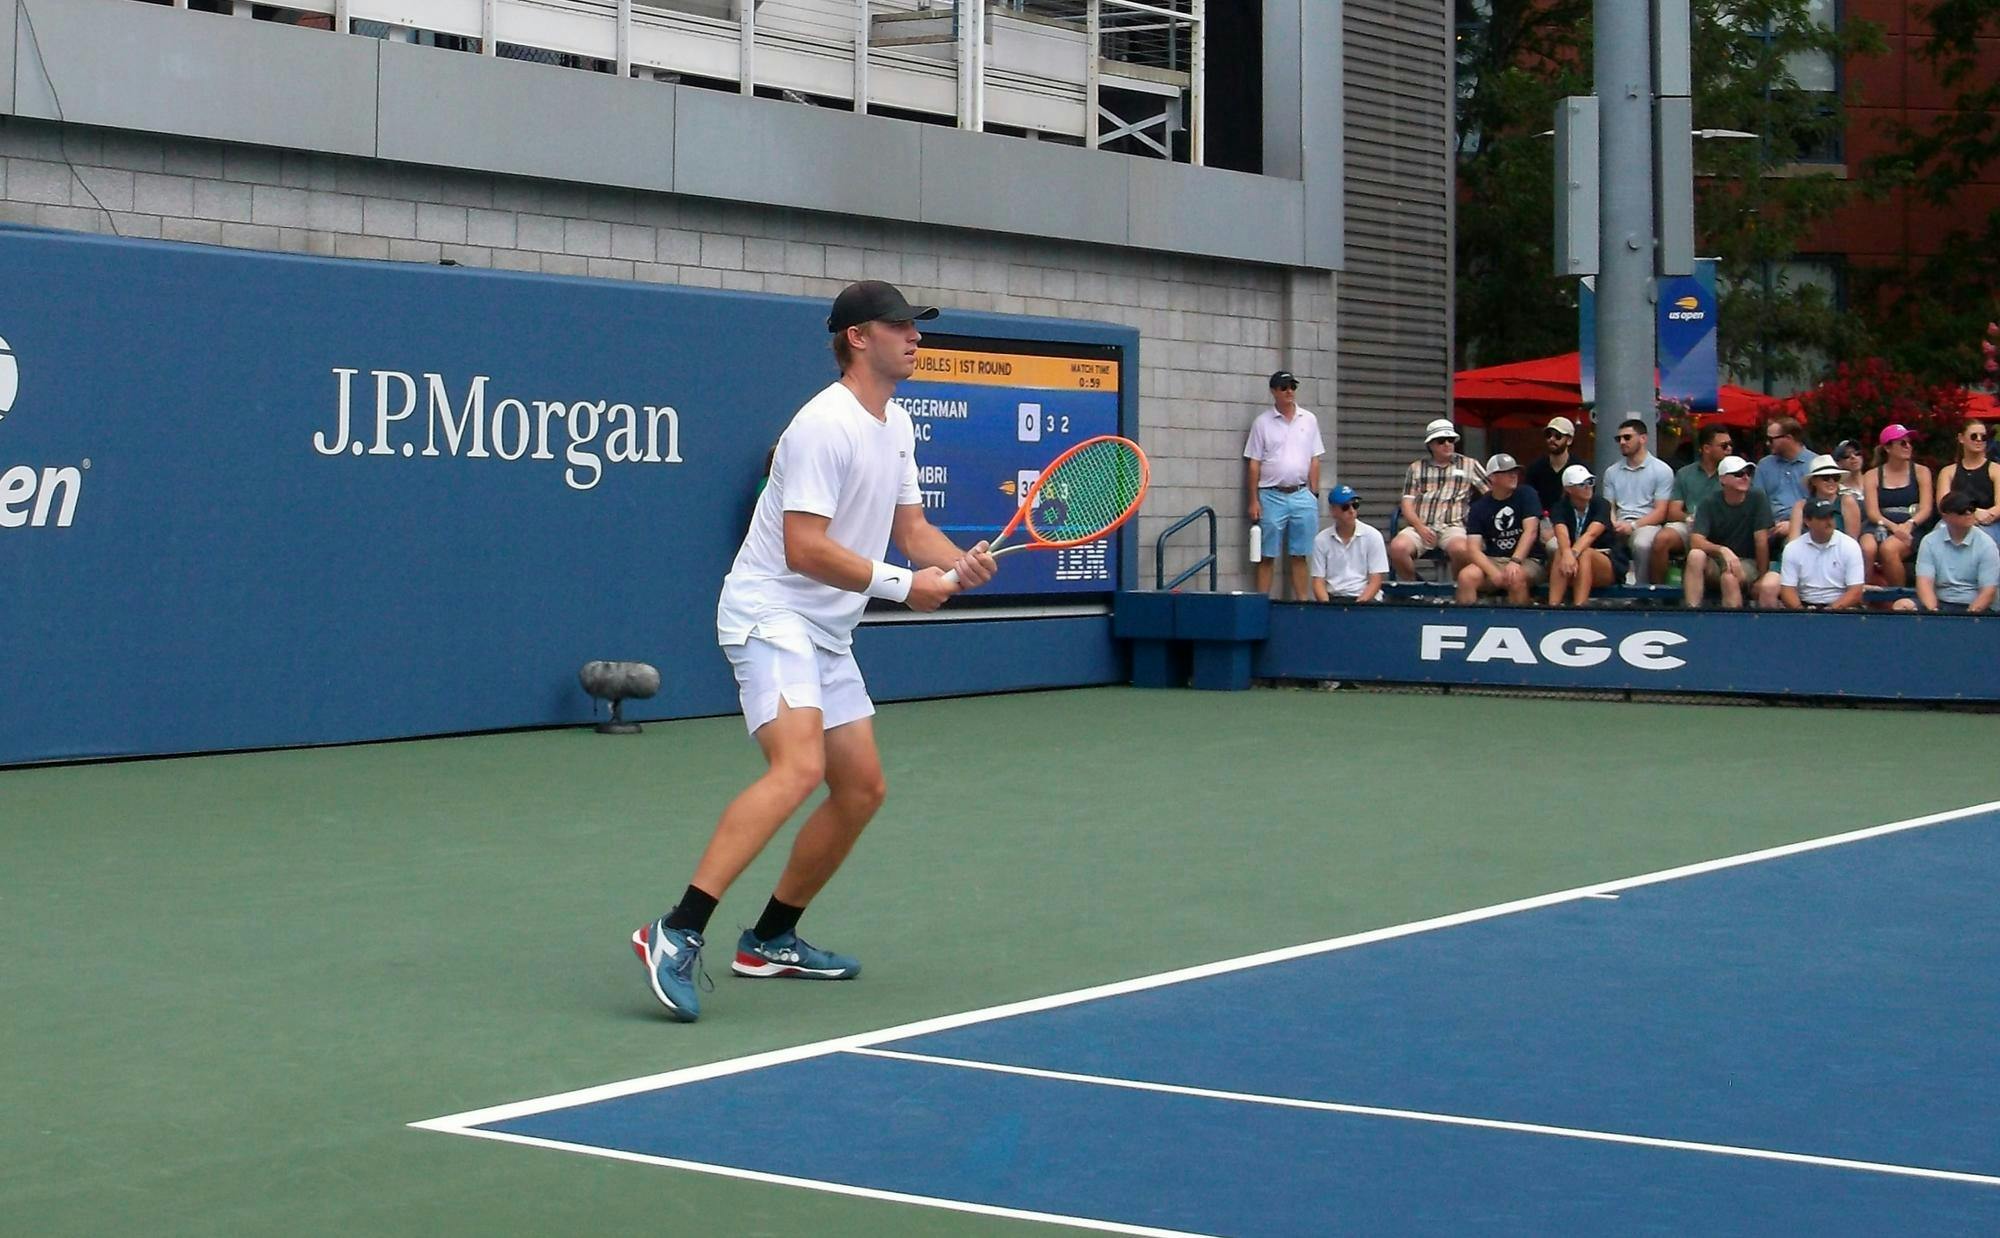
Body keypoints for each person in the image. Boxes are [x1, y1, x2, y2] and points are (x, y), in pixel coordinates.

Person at [635, 280, 998, 1023]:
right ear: (858, 337)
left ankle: (769, 938)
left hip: (828, 631)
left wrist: (958, 563)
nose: (915, 337)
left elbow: (911, 530)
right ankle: (676, 930)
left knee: (861, 789)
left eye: (915, 327)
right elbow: (803, 548)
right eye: (900, 326)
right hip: (771, 612)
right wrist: (904, 588)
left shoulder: (895, 425)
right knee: (799, 766)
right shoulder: (820, 425)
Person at [1243, 370, 1326, 600]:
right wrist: (1253, 500)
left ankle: (1302, 603)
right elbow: (1254, 463)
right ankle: (1261, 604)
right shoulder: (1262, 423)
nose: (1289, 391)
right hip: (1271, 495)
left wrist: (1314, 492)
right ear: (1273, 392)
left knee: (1301, 554)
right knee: (1266, 554)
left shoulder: (1309, 419)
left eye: (1292, 386)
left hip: (1301, 493)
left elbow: (1315, 457)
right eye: (1283, 387)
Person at [1390, 418, 1488, 580]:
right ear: (1431, 445)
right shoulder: (1416, 468)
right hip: (1421, 526)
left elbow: (1491, 494)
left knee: (1462, 549)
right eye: (1441, 441)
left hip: (1454, 526)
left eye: (1451, 440)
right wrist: (1420, 527)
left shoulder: (1470, 465)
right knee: (1397, 548)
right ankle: (1416, 589)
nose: (1447, 444)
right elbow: (1406, 504)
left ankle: (1458, 590)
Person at [1684, 454, 1778, 609]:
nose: (1745, 477)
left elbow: (1761, 541)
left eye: (1748, 473)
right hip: (1717, 561)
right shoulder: (1709, 502)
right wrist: (1722, 550)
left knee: (1729, 577)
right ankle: (1692, 610)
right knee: (1695, 555)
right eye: (1739, 474)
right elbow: (1696, 540)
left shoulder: (1758, 497)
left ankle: (1732, 626)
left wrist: (1762, 577)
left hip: (1747, 562)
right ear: (1723, 479)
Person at [1648, 422, 1734, 585]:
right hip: (1690, 524)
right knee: (1661, 539)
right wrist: (1690, 518)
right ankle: (1658, 594)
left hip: (1722, 525)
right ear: (1707, 448)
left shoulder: (1735, 475)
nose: (1729, 449)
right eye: (1724, 446)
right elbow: (1673, 512)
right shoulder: (1685, 473)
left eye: (1730, 445)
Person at [1456, 453, 1542, 604]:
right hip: (1494, 558)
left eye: (1515, 471)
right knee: (1466, 577)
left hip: (1528, 558)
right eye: (1507, 472)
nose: (1513, 475)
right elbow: (1473, 548)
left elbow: (1531, 531)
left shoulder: (1527, 494)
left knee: (1515, 577)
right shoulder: (1479, 507)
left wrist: (1515, 561)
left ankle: (1520, 622)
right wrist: (1493, 572)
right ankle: (1468, 622)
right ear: (1493, 477)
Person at [1893, 491, 2000, 613]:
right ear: (1945, 516)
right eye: (1961, 510)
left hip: (1975, 606)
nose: (1969, 513)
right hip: (1941, 602)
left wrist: (1970, 616)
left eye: (1971, 509)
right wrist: (1934, 611)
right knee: (1902, 605)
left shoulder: (1987, 544)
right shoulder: (1929, 541)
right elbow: (1924, 584)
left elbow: (1988, 591)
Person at [1600, 416, 1674, 584]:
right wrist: (1613, 523)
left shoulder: (1662, 470)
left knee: (1642, 544)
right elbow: (1609, 505)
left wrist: (1633, 526)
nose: (1622, 442)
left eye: (1627, 437)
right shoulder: (1611, 472)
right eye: (1618, 438)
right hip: (1618, 521)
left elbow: (1661, 511)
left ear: (1643, 439)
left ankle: (1642, 593)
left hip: (1647, 523)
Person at [1862, 422, 1933, 588]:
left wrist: (1909, 524)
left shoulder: (1921, 472)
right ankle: (1861, 596)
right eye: (1902, 443)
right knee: (1867, 547)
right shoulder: (1872, 475)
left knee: (1889, 549)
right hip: (1880, 523)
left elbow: (1926, 508)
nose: (1908, 446)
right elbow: (1873, 512)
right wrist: (1895, 528)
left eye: (1909, 442)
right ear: (1887, 448)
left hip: (1913, 524)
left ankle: (1898, 596)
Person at [1779, 497, 1866, 611]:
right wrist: (1801, 612)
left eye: (1831, 516)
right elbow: (1787, 590)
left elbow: (1855, 590)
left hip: (1843, 608)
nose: (1829, 521)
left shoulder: (1850, 546)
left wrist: (1831, 610)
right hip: (1805, 606)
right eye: (1822, 517)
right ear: (1807, 521)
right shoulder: (1792, 548)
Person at [1546, 463, 1613, 606]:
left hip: (1605, 559)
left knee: (1584, 553)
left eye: (1590, 482)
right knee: (1561, 552)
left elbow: (1591, 534)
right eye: (1582, 484)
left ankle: (1579, 608)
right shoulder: (1560, 507)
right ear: (1568, 489)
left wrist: (1573, 553)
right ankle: (1553, 607)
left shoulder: (1602, 504)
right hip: (1573, 562)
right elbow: (1561, 533)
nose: (1588, 487)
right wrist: (1567, 553)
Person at [1310, 484, 1388, 602]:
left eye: (1355, 505)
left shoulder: (1373, 536)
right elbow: (1318, 581)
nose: (1352, 511)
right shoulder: (1321, 540)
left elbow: (1376, 580)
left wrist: (1358, 606)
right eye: (1345, 507)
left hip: (1366, 598)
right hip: (1334, 598)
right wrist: (1327, 607)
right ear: (1332, 510)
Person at [1788, 456, 1868, 571]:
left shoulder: (1847, 501)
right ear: (1814, 481)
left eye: (1835, 478)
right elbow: (1793, 543)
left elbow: (1852, 541)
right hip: (1804, 560)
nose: (1831, 482)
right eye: (1826, 478)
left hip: (1838, 560)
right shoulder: (1800, 506)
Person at [1937, 421, 2000, 546]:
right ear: (1961, 438)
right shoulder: (1948, 472)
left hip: (1988, 523)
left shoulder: (1996, 470)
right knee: (1935, 540)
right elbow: (1943, 505)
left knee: (1983, 541)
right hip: (1953, 521)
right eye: (1974, 436)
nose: (1979, 440)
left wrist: (1987, 515)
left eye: (1983, 436)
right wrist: (1972, 513)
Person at [1755, 415, 1816, 541]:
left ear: (1789, 438)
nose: (1767, 443)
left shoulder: (1815, 463)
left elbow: (1822, 503)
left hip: (1808, 526)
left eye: (1771, 439)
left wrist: (1795, 525)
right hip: (1771, 529)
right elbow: (1758, 503)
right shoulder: (1764, 465)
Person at [1523, 415, 1578, 519]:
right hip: (1542, 524)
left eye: (1558, 436)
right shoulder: (1535, 468)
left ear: (1569, 440)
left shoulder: (1579, 468)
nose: (1552, 439)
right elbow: (1529, 503)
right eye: (1548, 435)